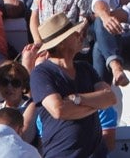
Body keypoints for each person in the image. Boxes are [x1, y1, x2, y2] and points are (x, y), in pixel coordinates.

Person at [30, 14, 116, 158]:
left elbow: (110, 98)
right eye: (74, 33)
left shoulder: (85, 68)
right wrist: (96, 103)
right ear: (62, 43)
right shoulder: (41, 73)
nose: (80, 35)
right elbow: (59, 110)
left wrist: (77, 99)